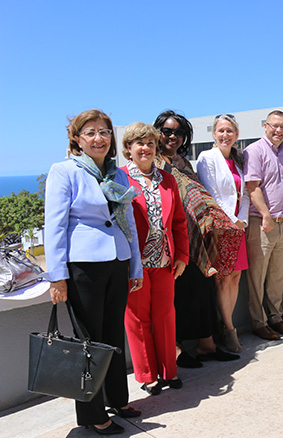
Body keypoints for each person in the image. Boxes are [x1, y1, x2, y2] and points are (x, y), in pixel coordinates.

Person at [45, 109, 143, 435]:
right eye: (90, 132)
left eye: (104, 132)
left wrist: (134, 264)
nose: (98, 138)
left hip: (116, 261)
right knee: (89, 341)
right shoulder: (65, 171)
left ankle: (118, 398)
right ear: (77, 138)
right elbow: (55, 226)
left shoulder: (118, 174)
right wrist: (56, 276)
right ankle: (92, 414)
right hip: (83, 267)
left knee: (114, 336)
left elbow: (127, 223)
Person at [153, 110, 242, 366]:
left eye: (179, 132)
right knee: (179, 294)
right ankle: (178, 348)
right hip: (170, 239)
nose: (173, 136)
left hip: (195, 239)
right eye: (167, 131)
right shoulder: (156, 162)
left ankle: (207, 343)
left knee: (202, 289)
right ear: (158, 132)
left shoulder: (183, 162)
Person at [120, 122, 188, 396]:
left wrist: (182, 255)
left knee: (165, 315)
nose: (145, 148)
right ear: (129, 149)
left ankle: (169, 371)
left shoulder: (167, 179)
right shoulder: (120, 178)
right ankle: (148, 376)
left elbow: (180, 223)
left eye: (149, 142)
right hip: (134, 264)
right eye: (139, 143)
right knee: (137, 319)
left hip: (164, 260)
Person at [197, 114, 250, 352]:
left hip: (239, 227)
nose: (225, 135)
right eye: (221, 131)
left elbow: (245, 194)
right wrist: (231, 220)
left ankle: (228, 326)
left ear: (236, 135)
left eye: (229, 131)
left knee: (236, 277)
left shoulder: (238, 161)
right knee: (223, 279)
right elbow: (209, 194)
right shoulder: (207, 157)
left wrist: (243, 220)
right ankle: (229, 330)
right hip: (220, 228)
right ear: (214, 134)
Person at [243, 110, 283, 340]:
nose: (279, 130)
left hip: (282, 223)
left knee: (276, 276)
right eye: (274, 126)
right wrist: (265, 215)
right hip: (262, 222)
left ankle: (276, 317)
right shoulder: (254, 151)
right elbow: (252, 187)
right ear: (265, 126)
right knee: (257, 276)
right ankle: (258, 322)